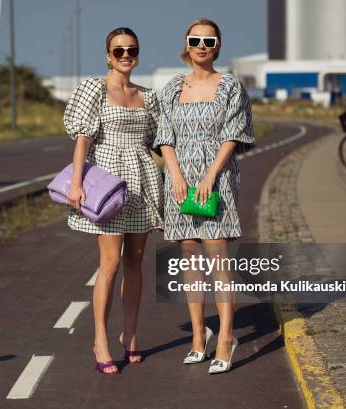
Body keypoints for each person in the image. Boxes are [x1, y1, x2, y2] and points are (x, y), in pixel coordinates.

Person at [153, 18, 255, 374]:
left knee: (217, 257)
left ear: (218, 46)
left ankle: (226, 337)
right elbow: (164, 136)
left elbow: (233, 134)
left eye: (209, 41)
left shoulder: (230, 86)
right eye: (195, 40)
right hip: (179, 181)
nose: (201, 45)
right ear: (186, 43)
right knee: (189, 257)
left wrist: (210, 176)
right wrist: (176, 175)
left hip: (218, 178)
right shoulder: (170, 88)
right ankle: (199, 336)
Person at [64, 27, 163, 375]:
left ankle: (131, 335)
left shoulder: (148, 96)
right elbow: (82, 139)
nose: (125, 55)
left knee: (136, 260)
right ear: (108, 55)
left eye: (131, 50)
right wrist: (76, 184)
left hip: (143, 182)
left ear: (138, 53)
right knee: (110, 264)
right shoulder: (95, 89)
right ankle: (100, 340)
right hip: (108, 183)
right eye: (118, 50)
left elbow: (158, 141)